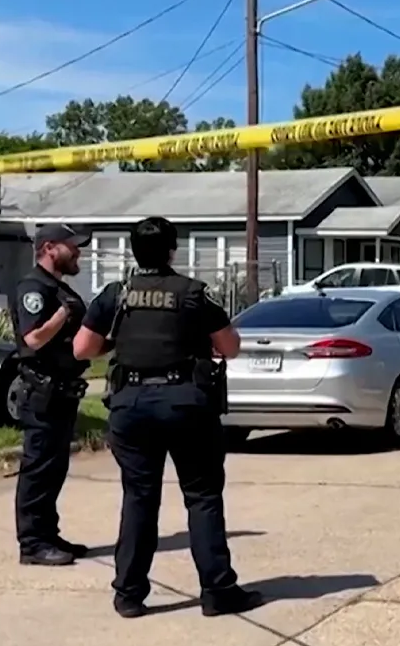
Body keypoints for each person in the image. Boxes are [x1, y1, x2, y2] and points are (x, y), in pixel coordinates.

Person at [72, 216, 262, 619]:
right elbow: (229, 348)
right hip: (186, 403)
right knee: (203, 496)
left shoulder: (116, 294)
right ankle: (217, 591)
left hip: (132, 404)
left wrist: (121, 342)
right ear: (173, 250)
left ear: (134, 251)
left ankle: (128, 595)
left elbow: (82, 349)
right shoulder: (194, 293)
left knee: (139, 499)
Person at [10, 223, 93, 566]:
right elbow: (33, 340)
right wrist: (61, 315)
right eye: (71, 246)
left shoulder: (62, 290)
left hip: (63, 392)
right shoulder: (34, 288)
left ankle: (48, 534)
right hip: (41, 392)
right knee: (38, 468)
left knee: (54, 469)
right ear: (48, 248)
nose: (78, 252)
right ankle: (31, 544)